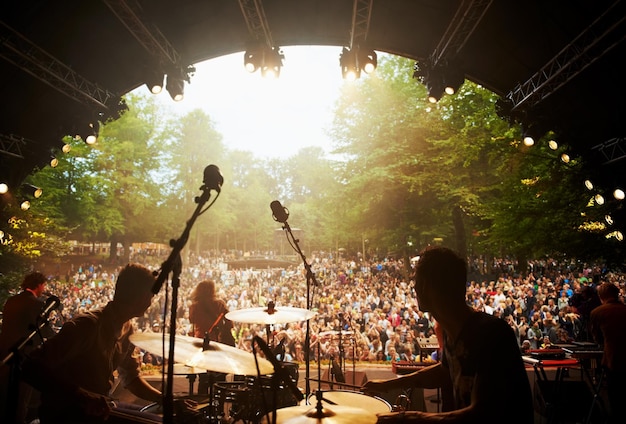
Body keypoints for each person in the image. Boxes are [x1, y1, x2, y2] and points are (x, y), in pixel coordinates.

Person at [363, 247, 533, 423]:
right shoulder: (452, 331)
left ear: (428, 286)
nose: (414, 287)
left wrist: (412, 418)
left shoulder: (490, 335)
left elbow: (482, 413)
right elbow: (445, 371)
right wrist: (389, 384)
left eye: (418, 281)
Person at [20, 264, 163, 423]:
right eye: (151, 296)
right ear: (141, 297)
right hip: (68, 413)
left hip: (99, 407)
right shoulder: (87, 325)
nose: (151, 302)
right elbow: (30, 366)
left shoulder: (128, 330)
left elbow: (131, 379)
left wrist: (165, 400)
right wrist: (82, 395)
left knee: (156, 419)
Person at [0, 271, 57, 423]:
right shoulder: (36, 304)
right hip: (24, 357)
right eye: (44, 285)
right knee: (22, 397)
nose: (44, 289)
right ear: (39, 285)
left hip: (5, 352)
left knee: (5, 395)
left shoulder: (11, 300)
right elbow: (43, 330)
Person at [188, 279, 235, 394]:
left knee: (203, 377)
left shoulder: (194, 306)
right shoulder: (220, 304)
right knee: (220, 378)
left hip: (201, 342)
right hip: (218, 342)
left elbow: (192, 321)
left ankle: (202, 404)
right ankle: (219, 406)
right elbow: (229, 323)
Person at [589, 282, 626, 423]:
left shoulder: (597, 312)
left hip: (613, 361)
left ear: (601, 297)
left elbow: (597, 338)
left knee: (616, 399)